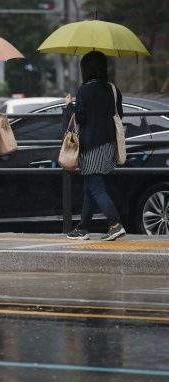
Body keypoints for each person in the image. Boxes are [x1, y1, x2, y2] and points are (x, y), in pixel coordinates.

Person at [64, 51, 126, 242]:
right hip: (109, 144)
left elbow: (80, 118)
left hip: (91, 146)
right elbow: (119, 115)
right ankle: (83, 227)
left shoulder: (84, 90)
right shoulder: (113, 89)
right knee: (90, 187)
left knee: (95, 186)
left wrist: (68, 106)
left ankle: (115, 224)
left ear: (86, 69)